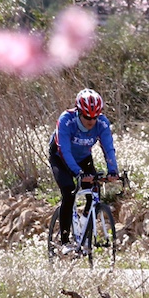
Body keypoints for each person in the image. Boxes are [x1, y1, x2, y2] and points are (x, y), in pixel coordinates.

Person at [49, 88, 121, 250]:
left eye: (95, 117)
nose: (91, 121)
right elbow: (64, 150)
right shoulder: (66, 120)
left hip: (83, 158)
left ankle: (83, 227)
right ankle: (65, 240)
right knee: (69, 191)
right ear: (79, 112)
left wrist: (113, 170)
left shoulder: (102, 123)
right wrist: (78, 173)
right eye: (87, 117)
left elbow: (108, 148)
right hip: (61, 158)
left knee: (94, 192)